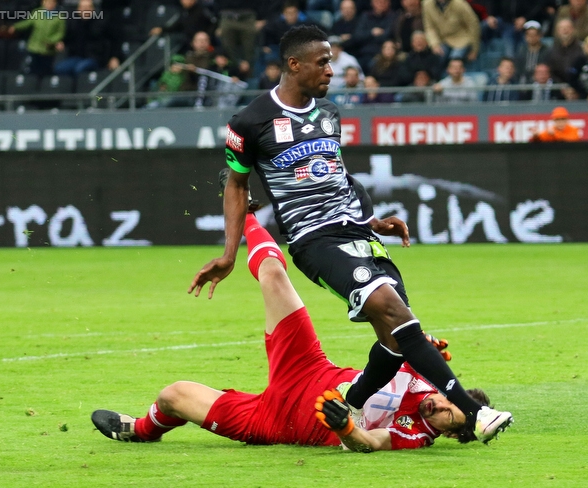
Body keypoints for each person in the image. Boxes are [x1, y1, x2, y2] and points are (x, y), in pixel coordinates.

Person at [190, 25, 512, 444]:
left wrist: (373, 221)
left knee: (395, 339)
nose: (331, 71)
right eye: (323, 62)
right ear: (294, 64)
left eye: (331, 62)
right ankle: (474, 411)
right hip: (315, 240)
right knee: (394, 312)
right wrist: (230, 253)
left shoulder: (329, 115)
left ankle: (353, 399)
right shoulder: (250, 121)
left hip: (359, 233)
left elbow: (337, 176)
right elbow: (235, 185)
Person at [95, 216, 492, 450]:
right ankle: (247, 214)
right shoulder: (427, 378)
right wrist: (421, 346)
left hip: (276, 421)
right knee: (274, 274)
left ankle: (143, 432)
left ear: (450, 433)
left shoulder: (416, 436)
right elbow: (395, 343)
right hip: (307, 368)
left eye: (445, 419)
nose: (436, 410)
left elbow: (369, 444)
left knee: (173, 395)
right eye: (445, 403)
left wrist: (345, 426)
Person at [55, 0, 117, 76]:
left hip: (95, 58)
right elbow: (67, 38)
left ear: (93, 9)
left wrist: (114, 57)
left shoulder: (101, 23)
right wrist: (62, 42)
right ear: (78, 9)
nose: (85, 10)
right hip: (76, 57)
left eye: (88, 7)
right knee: (59, 68)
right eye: (83, 7)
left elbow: (114, 40)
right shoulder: (73, 23)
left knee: (80, 68)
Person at [8, 0, 66, 76]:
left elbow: (60, 33)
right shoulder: (37, 12)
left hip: (47, 49)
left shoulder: (59, 16)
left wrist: (52, 41)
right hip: (34, 47)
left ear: (55, 3)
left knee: (45, 71)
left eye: (51, 2)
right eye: (46, 2)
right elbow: (28, 22)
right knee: (32, 70)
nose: (49, 4)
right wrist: (16, 27)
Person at [422, 0, 481, 65]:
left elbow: (473, 24)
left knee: (455, 59)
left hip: (462, 39)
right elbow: (429, 27)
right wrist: (434, 44)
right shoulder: (427, 4)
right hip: (443, 40)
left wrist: (474, 49)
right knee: (436, 59)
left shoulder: (459, 3)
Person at [354, 0, 399, 70]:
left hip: (381, 53)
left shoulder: (393, 16)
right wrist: (371, 33)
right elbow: (357, 36)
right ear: (372, 3)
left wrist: (367, 37)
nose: (381, 4)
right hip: (364, 53)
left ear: (389, 3)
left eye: (383, 2)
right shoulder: (365, 16)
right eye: (378, 2)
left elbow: (388, 35)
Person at [546, 19, 584, 83]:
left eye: (568, 28)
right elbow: (550, 71)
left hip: (579, 86)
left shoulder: (582, 48)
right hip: (558, 87)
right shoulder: (551, 51)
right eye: (561, 28)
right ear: (557, 31)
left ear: (573, 30)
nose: (565, 30)